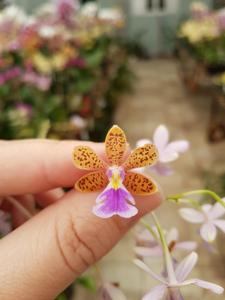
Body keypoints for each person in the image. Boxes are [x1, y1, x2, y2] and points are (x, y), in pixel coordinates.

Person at [0, 139, 161, 300]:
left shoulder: (122, 177)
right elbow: (84, 184)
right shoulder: (103, 176)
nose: (116, 179)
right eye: (114, 176)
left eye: (118, 176)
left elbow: (145, 185)